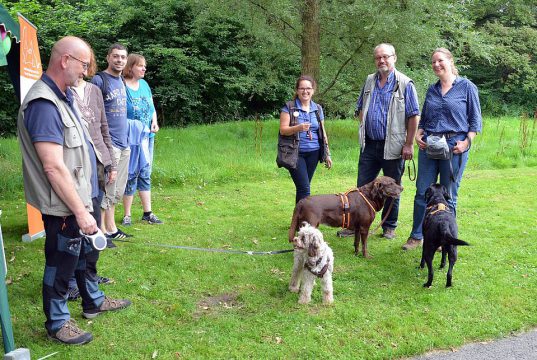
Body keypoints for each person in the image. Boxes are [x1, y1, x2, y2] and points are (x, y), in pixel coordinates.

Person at [17, 36, 131, 345]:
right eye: (83, 65)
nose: (84, 72)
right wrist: (80, 212)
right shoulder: (43, 104)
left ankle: (93, 299)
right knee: (61, 263)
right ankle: (57, 322)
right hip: (63, 205)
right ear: (65, 60)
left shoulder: (65, 96)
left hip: (83, 194)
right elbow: (53, 167)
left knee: (87, 253)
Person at [337, 43, 420, 240]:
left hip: (394, 146)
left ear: (394, 57)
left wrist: (408, 144)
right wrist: (366, 128)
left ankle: (389, 227)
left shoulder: (405, 84)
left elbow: (414, 116)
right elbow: (360, 109)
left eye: (386, 57)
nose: (381, 61)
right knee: (361, 188)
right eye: (378, 58)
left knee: (392, 188)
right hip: (370, 145)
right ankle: (354, 225)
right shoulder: (369, 81)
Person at [403, 47, 482, 250]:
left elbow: (475, 120)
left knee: (448, 196)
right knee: (422, 193)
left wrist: (466, 142)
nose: (436, 65)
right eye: (433, 62)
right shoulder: (432, 89)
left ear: (450, 61)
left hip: (454, 147)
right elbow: (426, 117)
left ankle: (444, 238)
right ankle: (416, 236)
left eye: (440, 61)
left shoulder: (467, 87)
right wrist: (419, 133)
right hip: (430, 146)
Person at [67, 41, 115, 301]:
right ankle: (73, 281)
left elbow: (103, 128)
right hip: (75, 167)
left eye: (87, 65)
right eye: (81, 65)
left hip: (98, 163)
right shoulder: (63, 93)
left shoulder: (95, 91)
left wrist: (111, 163)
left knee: (94, 221)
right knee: (76, 225)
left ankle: (89, 276)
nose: (84, 70)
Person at [91, 43, 131, 244]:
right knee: (106, 189)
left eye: (123, 57)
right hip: (110, 144)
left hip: (124, 143)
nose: (120, 60)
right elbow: (93, 115)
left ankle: (112, 227)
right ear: (108, 57)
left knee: (117, 189)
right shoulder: (99, 80)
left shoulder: (121, 80)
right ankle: (103, 231)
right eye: (116, 56)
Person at [121, 53, 163, 226]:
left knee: (145, 173)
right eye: (140, 65)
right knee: (131, 175)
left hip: (147, 138)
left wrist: (155, 122)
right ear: (130, 67)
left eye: (144, 65)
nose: (144, 68)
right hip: (131, 139)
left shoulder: (145, 85)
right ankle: (127, 215)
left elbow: (151, 106)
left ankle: (148, 213)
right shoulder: (121, 86)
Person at [279, 75, 332, 204]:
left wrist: (327, 154)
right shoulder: (289, 107)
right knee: (305, 189)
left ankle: (297, 220)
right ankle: (304, 222)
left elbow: (322, 132)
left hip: (314, 153)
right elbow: (283, 130)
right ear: (297, 90)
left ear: (313, 90)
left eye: (308, 88)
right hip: (295, 153)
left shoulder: (317, 109)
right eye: (302, 88)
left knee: (303, 187)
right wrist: (298, 128)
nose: (305, 91)